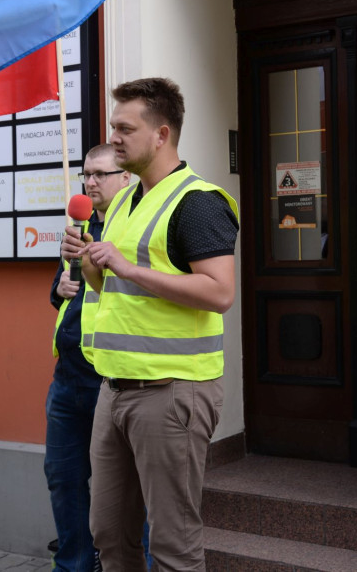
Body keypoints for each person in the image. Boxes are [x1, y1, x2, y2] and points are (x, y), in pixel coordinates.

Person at [61, 77, 239, 571]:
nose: (114, 136)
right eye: (112, 127)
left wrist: (128, 267)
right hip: (114, 388)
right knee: (109, 534)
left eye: (124, 127)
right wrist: (90, 263)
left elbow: (220, 292)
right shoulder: (121, 200)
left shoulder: (199, 201)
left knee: (173, 543)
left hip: (172, 393)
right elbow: (111, 290)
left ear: (161, 134)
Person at [45, 144, 131, 571]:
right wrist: (57, 288)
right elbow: (64, 297)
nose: (90, 182)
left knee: (125, 492)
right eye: (85, 175)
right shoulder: (79, 229)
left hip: (111, 378)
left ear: (126, 178)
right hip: (67, 379)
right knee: (64, 479)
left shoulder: (134, 230)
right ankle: (75, 564)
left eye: (100, 173)